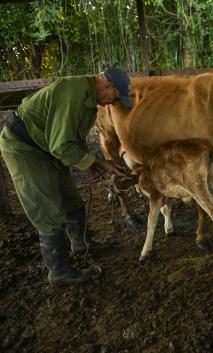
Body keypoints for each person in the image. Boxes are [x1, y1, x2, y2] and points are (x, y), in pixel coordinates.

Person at [0, 67, 131, 285]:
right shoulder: (74, 93)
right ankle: (59, 271)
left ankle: (82, 244)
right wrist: (97, 162)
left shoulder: (89, 97)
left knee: (71, 199)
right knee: (47, 209)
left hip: (47, 146)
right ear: (107, 85)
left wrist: (88, 162)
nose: (112, 103)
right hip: (24, 147)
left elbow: (72, 137)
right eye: (115, 97)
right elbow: (61, 145)